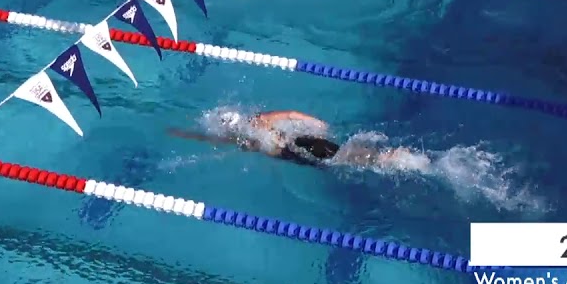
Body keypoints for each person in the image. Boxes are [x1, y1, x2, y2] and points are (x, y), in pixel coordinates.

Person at [169, 109, 425, 170]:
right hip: (295, 150)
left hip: (299, 145)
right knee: (342, 160)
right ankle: (388, 158)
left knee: (342, 158)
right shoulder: (248, 135)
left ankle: (391, 158)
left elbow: (290, 114)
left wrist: (315, 123)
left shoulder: (259, 123)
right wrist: (184, 134)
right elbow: (213, 140)